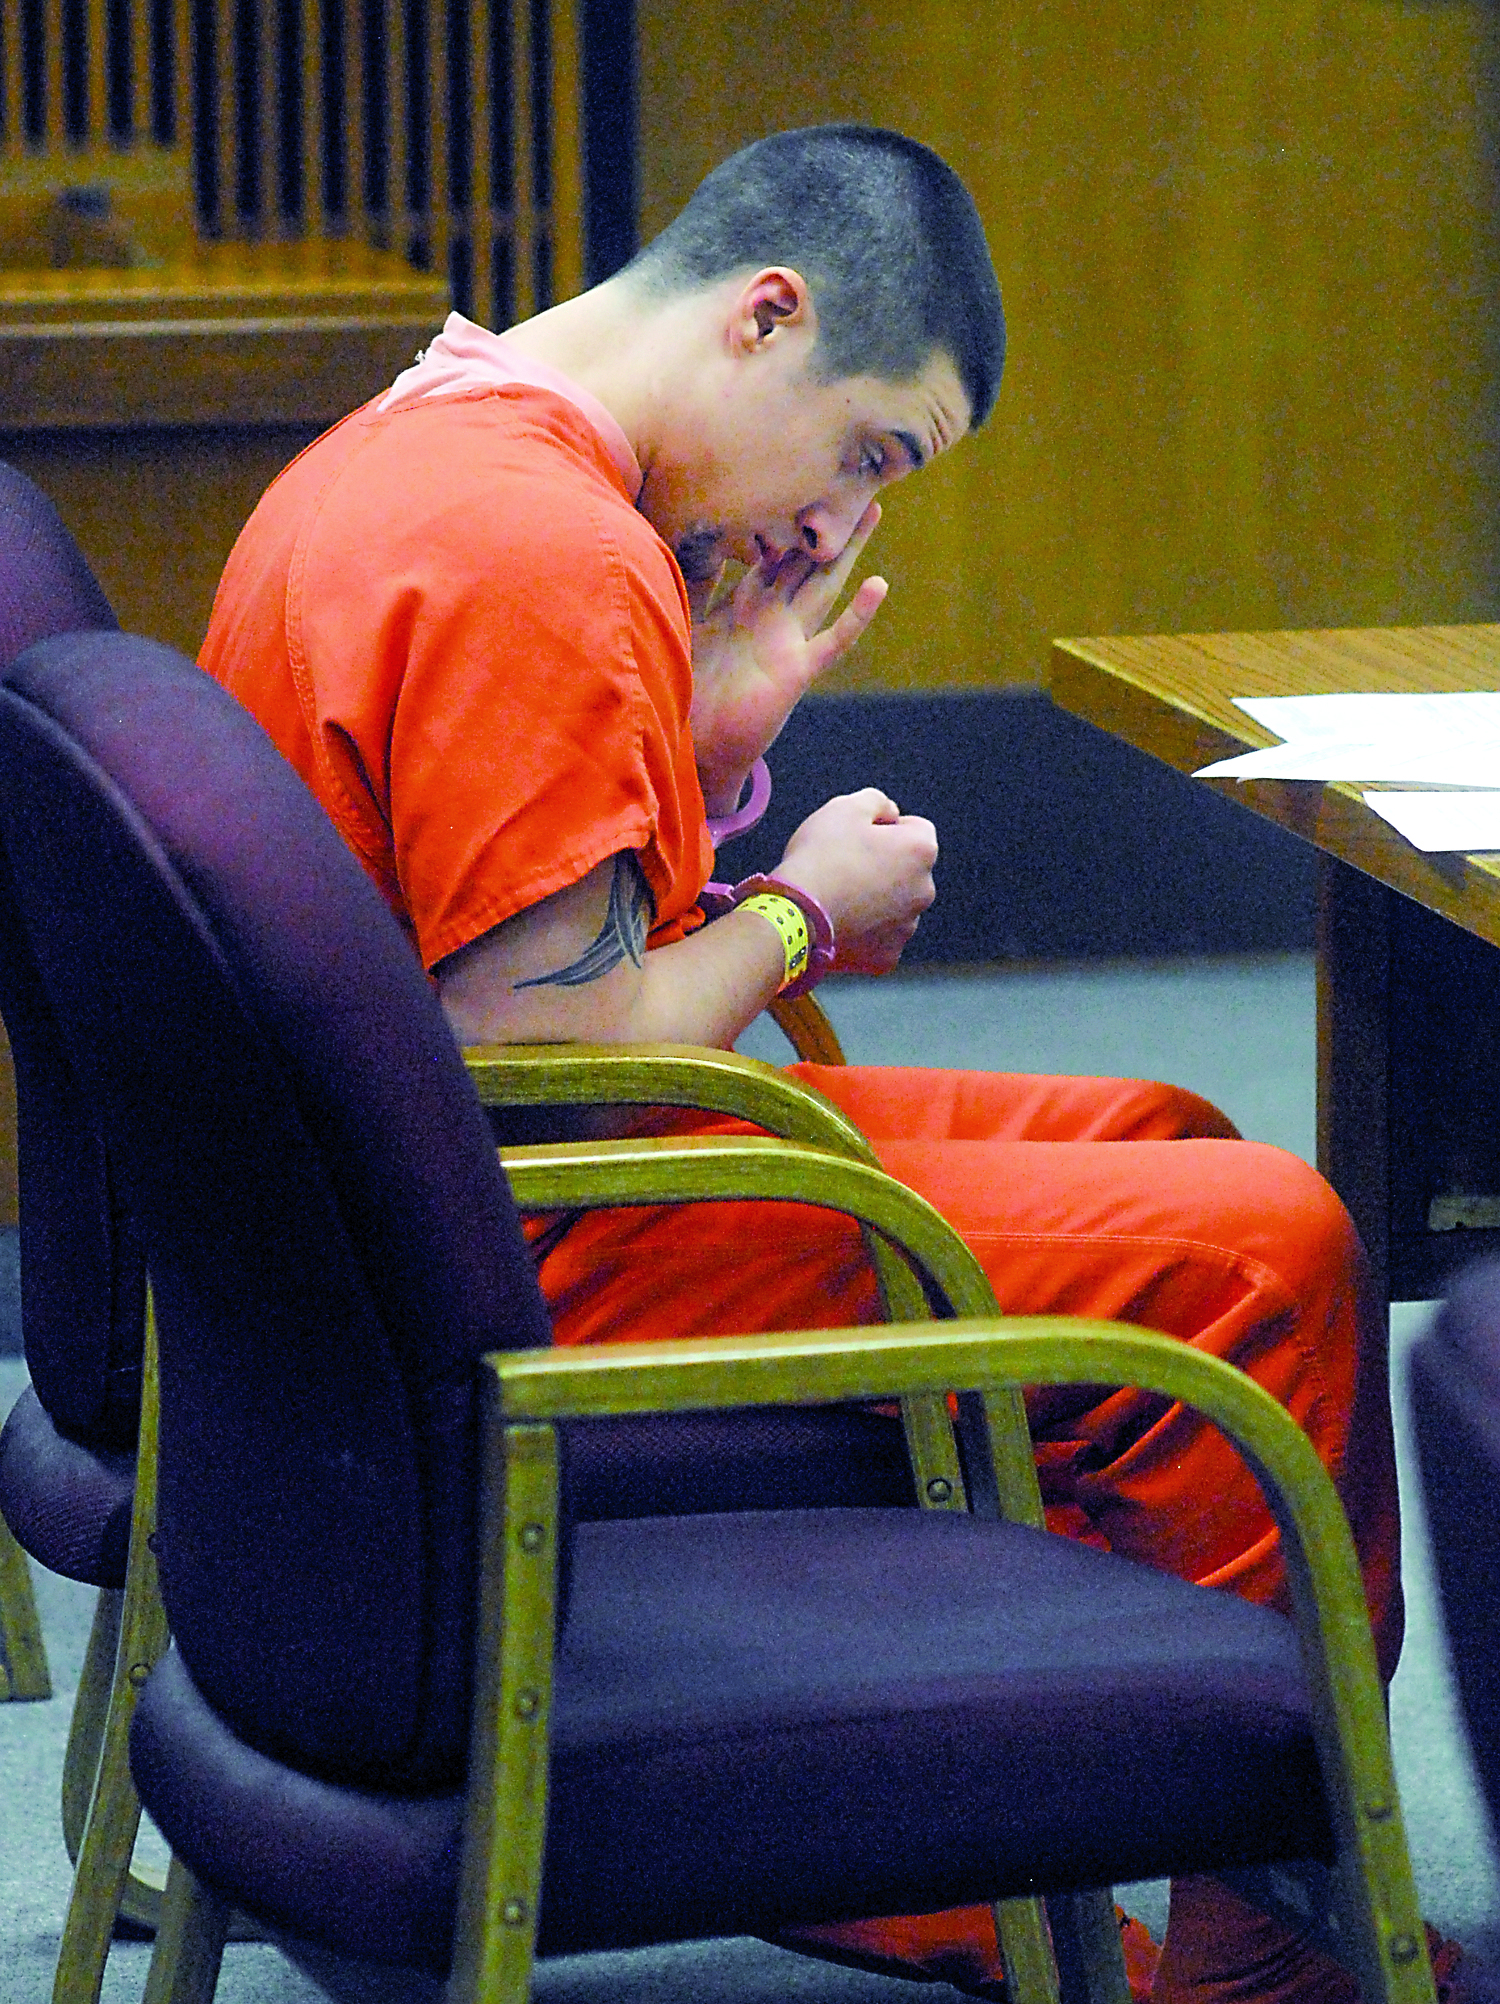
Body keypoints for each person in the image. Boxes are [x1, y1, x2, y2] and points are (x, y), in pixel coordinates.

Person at [200, 125, 1419, 2004]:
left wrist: (711, 740)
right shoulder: (542, 545)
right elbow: (559, 1060)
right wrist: (798, 912)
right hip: (506, 1262)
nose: (836, 522)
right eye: (869, 453)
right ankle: (1253, 1953)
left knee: (1160, 1133)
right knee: (1264, 1254)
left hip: (389, 1223)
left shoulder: (433, 439)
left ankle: (982, 1827)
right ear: (769, 315)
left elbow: (485, 940)